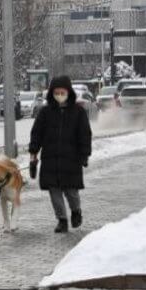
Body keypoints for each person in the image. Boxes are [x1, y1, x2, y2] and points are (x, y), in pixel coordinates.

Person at [29, 75, 92, 233]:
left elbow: (85, 134)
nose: (59, 95)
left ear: (68, 92)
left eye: (62, 92)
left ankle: (76, 211)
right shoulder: (45, 112)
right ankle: (62, 220)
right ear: (51, 93)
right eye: (56, 92)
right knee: (54, 191)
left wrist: (84, 154)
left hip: (72, 159)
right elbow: (36, 133)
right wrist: (33, 151)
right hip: (50, 158)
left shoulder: (78, 112)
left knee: (71, 191)